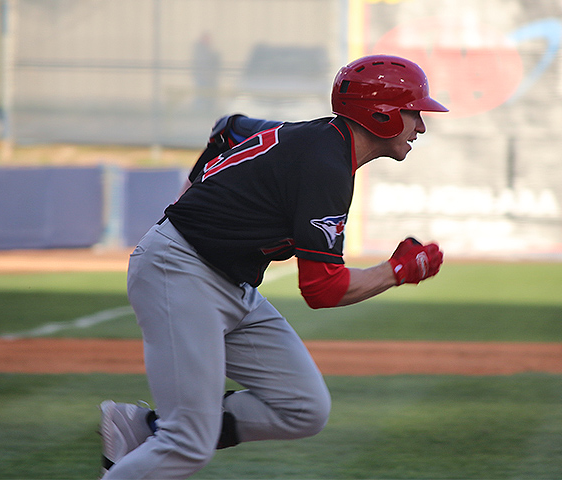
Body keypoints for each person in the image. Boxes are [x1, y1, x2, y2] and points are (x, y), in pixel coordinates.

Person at [99, 54, 447, 479]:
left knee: (303, 407)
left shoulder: (320, 139)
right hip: (181, 271)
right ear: (382, 114)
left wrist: (190, 193)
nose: (421, 126)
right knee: (187, 442)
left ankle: (141, 428)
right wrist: (399, 270)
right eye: (414, 113)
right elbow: (322, 289)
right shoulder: (327, 166)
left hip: (228, 282)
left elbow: (228, 128)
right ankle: (161, 432)